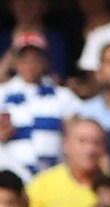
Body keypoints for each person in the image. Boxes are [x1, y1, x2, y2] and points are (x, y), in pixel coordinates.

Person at [0, 31, 81, 178]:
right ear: (15, 63)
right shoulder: (2, 94)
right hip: (12, 177)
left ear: (46, 62)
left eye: (36, 59)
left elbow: (75, 134)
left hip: (52, 175)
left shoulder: (63, 96)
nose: (30, 65)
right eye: (24, 59)